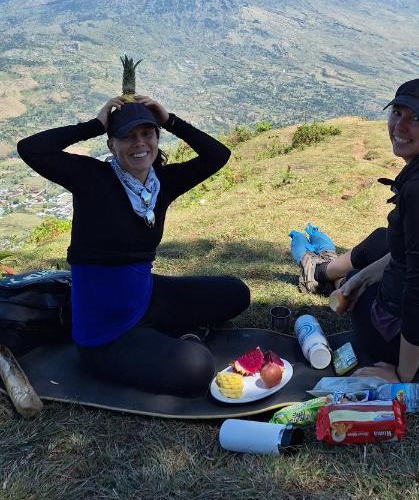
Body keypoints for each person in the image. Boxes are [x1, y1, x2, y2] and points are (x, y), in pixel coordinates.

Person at [17, 95, 250, 397]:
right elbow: (30, 149)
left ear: (156, 138)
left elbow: (217, 155)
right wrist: (94, 125)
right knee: (197, 367)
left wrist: (170, 121)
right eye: (127, 136)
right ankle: (176, 340)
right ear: (111, 145)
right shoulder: (91, 178)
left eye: (147, 134)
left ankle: (163, 335)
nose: (139, 143)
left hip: (147, 299)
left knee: (236, 293)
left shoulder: (162, 182)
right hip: (105, 334)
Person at [290, 77, 419, 383]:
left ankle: (324, 275)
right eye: (397, 112)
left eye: (416, 119)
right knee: (382, 241)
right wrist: (360, 276)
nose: (401, 125)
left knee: (363, 293)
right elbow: (412, 254)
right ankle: (322, 274)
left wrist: (402, 374)